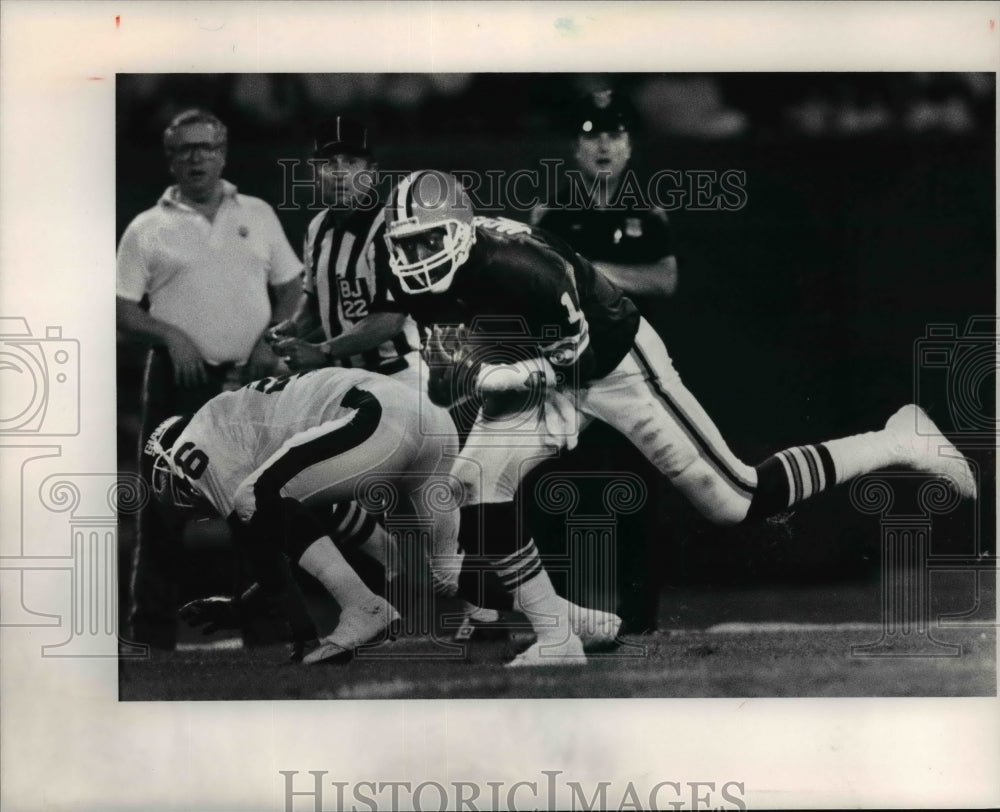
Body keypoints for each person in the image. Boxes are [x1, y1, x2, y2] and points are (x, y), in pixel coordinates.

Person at [376, 169, 977, 667]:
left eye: (429, 241)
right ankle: (559, 632)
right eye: (407, 244)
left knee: (735, 498)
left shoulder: (521, 267)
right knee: (477, 480)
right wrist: (483, 375)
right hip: (537, 361)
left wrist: (508, 376)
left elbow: (575, 359)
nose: (416, 257)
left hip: (612, 360)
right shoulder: (411, 273)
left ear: (459, 231)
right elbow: (445, 367)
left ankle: (898, 438)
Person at [117, 109, 302, 649]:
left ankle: (265, 630)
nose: (195, 158)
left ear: (223, 152)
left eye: (205, 147)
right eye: (183, 150)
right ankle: (150, 636)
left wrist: (272, 340)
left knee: (258, 504)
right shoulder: (147, 228)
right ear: (169, 158)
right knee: (163, 509)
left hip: (249, 381)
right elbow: (122, 310)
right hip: (179, 384)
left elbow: (292, 287)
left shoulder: (259, 214)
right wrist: (172, 337)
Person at [142, 366, 463, 665]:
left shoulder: (197, 440)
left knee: (253, 496)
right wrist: (245, 605)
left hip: (382, 418)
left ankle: (364, 607)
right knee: (445, 576)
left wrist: (300, 631)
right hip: (429, 420)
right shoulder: (247, 429)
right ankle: (495, 610)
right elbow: (314, 527)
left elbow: (259, 545)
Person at [530, 89, 678, 633]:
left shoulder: (646, 208)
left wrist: (594, 272)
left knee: (640, 487)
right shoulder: (552, 212)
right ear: (574, 147)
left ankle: (640, 618)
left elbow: (666, 278)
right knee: (550, 488)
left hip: (632, 368)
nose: (604, 146)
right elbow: (537, 282)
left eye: (615, 134)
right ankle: (559, 616)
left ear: (630, 144)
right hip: (571, 371)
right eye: (592, 134)